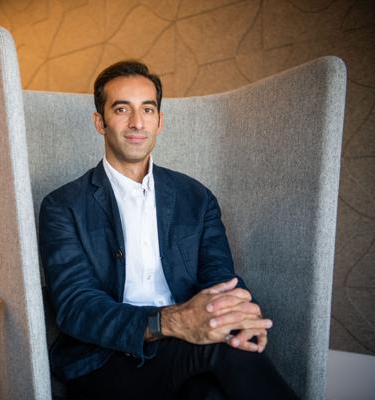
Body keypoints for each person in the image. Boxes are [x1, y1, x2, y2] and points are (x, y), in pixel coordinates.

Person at [38, 60, 298, 399]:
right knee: (222, 349)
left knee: (213, 390)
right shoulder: (62, 205)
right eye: (122, 109)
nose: (137, 122)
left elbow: (219, 278)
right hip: (104, 360)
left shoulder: (197, 198)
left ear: (159, 121)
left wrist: (240, 312)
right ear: (100, 122)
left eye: (147, 109)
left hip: (183, 349)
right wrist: (171, 321)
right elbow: (76, 307)